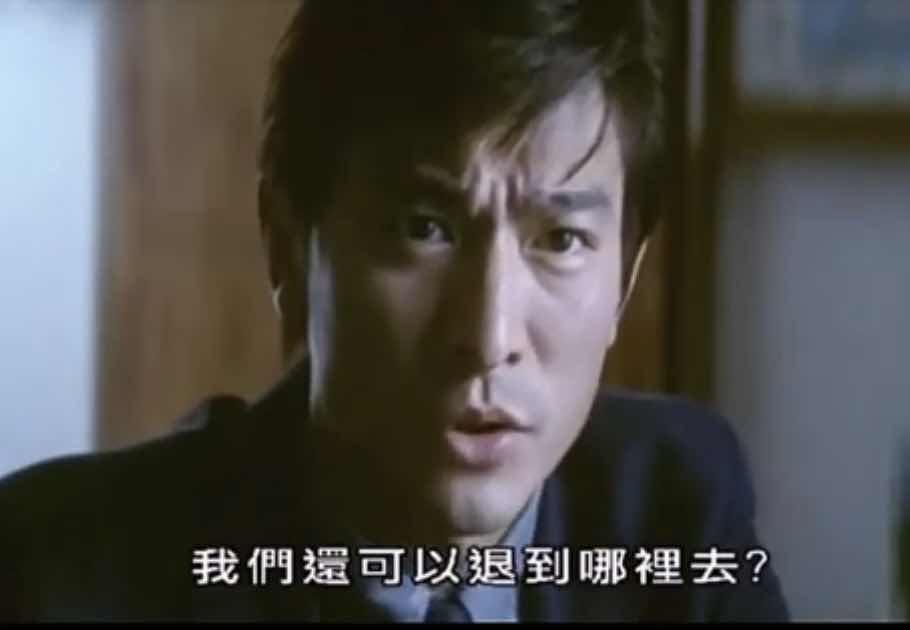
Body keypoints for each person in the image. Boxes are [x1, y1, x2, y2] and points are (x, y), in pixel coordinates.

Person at [0, 0, 790, 622]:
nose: (489, 337)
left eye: (560, 240)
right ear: (287, 246)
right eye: (424, 228)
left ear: (625, 277)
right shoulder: (58, 574)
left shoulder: (678, 513)